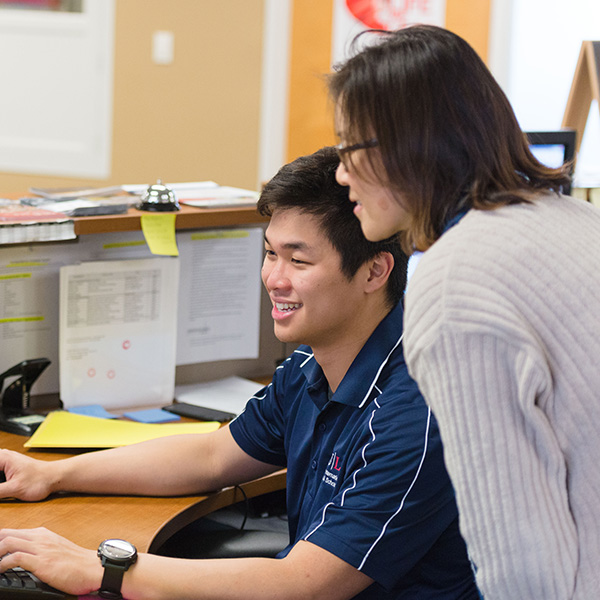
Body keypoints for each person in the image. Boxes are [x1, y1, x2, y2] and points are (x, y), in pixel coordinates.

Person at [0, 147, 478, 599]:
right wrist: (51, 475)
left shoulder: (416, 410)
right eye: (270, 253)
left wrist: (102, 568)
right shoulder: (309, 368)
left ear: (375, 272)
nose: (274, 279)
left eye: (299, 259)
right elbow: (210, 456)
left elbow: (308, 584)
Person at [329, 24, 600, 600]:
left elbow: (523, 559)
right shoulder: (574, 220)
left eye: (349, 148)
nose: (340, 173)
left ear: (407, 148)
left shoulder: (458, 282)